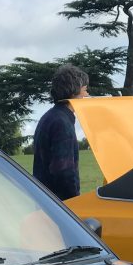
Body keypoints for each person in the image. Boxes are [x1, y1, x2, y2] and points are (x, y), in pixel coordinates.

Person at [32, 64, 88, 201]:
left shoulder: (49, 117)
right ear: (74, 91)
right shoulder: (61, 123)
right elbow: (64, 171)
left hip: (44, 201)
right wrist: (75, 203)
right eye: (85, 90)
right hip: (58, 206)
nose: (86, 94)